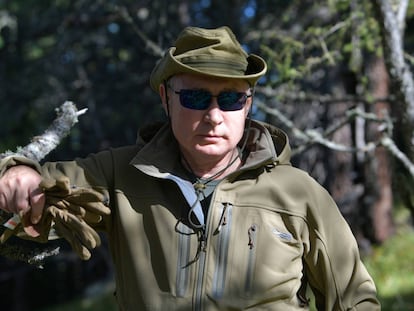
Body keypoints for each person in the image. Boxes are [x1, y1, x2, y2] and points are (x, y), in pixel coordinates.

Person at [0, 26, 380, 310]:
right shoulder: (118, 174)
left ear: (248, 104)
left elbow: (355, 298)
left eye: (230, 98)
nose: (214, 116)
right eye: (196, 97)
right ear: (166, 99)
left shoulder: (298, 192)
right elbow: (31, 185)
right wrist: (17, 171)